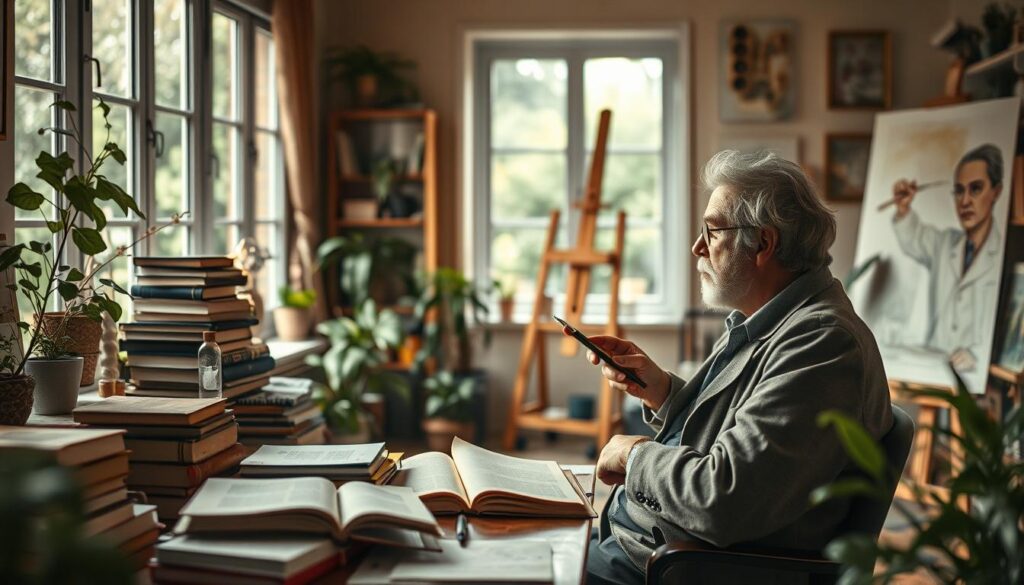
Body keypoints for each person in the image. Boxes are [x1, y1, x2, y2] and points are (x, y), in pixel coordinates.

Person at [578, 150, 893, 584]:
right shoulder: (771, 319)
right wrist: (662, 390)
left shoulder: (823, 344)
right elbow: (738, 430)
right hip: (647, 548)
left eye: (712, 230)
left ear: (763, 243)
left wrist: (635, 455)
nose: (698, 247)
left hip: (680, 569)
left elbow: (722, 498)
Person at [890, 144, 1005, 376]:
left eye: (976, 189)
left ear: (996, 192)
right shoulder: (944, 244)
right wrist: (903, 209)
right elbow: (914, 237)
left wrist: (978, 354)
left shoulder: (1005, 253)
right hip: (936, 368)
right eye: (959, 191)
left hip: (979, 375)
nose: (965, 201)